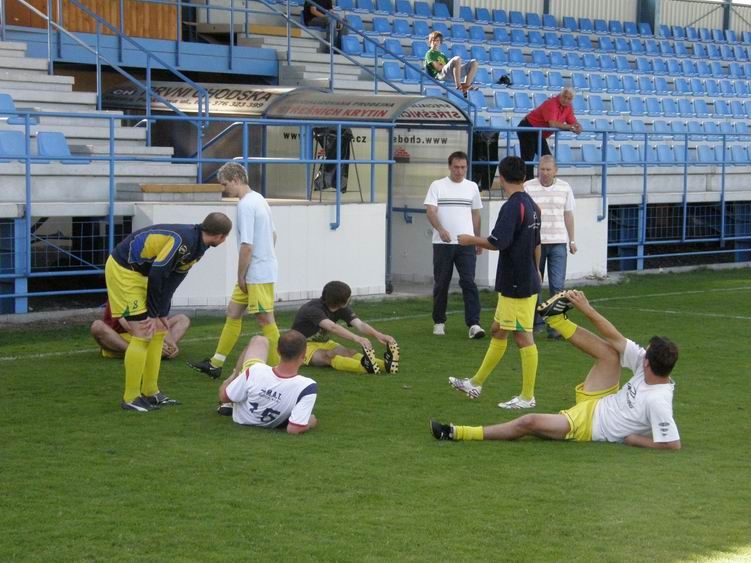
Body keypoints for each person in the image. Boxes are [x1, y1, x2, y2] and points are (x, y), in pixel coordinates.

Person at [431, 289, 681, 450]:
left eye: (646, 352)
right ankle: (556, 319)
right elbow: (615, 338)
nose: (642, 352)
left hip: (590, 424)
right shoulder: (649, 367)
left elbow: (672, 444)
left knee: (529, 422)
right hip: (600, 399)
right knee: (610, 354)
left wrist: (634, 439)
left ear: (648, 363)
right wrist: (586, 309)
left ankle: (455, 432)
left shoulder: (658, 401)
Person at [107, 212, 232, 412]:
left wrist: (162, 313)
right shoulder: (185, 240)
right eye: (225, 238)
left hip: (140, 273)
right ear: (221, 236)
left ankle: (151, 392)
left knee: (158, 330)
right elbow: (158, 273)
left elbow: (173, 279)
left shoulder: (198, 246)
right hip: (124, 270)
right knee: (143, 332)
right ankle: (130, 397)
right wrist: (153, 313)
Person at [450, 156, 542, 409]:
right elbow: (537, 243)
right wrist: (537, 271)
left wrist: (471, 239)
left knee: (523, 337)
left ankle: (527, 397)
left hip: (517, 284)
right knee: (498, 330)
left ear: (501, 178)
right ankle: (475, 383)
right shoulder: (533, 205)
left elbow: (497, 242)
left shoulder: (513, 206)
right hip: (522, 279)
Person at [188, 162, 280, 380]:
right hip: (258, 270)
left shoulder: (246, 205)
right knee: (233, 312)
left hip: (256, 274)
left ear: (236, 179)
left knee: (265, 320)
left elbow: (247, 245)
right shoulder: (259, 199)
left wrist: (241, 275)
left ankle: (281, 372)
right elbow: (273, 235)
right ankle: (215, 364)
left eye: (225, 184)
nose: (223, 189)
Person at [424, 151, 484, 339]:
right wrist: (440, 229)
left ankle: (474, 324)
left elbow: (476, 214)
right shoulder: (437, 186)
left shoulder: (472, 187)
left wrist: (477, 239)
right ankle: (439, 322)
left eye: (463, 167)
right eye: (456, 167)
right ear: (450, 167)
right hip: (442, 243)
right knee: (442, 283)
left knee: (469, 282)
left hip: (466, 242)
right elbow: (430, 211)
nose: (459, 171)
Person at [218, 331, 318, 434]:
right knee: (260, 341)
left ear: (278, 351)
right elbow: (294, 429)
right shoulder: (307, 386)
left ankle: (235, 377)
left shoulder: (255, 369)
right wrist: (309, 422)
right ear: (303, 355)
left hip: (242, 417)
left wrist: (228, 382)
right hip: (270, 419)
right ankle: (237, 379)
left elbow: (224, 397)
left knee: (259, 340)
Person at [291, 280, 399, 375]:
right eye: (348, 296)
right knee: (328, 356)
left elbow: (360, 325)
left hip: (324, 342)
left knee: (349, 352)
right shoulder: (313, 309)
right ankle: (365, 368)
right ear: (341, 301)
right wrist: (357, 338)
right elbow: (332, 327)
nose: (350, 298)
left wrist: (379, 335)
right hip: (301, 345)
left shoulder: (342, 308)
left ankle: (385, 365)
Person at [524, 155, 577, 338]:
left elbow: (568, 214)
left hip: (558, 242)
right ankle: (536, 323)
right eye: (542, 169)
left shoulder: (565, 187)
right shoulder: (528, 187)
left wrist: (572, 240)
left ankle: (555, 327)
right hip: (535, 243)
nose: (545, 173)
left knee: (558, 286)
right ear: (538, 169)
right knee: (534, 284)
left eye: (548, 170)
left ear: (555, 171)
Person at [517, 87, 582, 181]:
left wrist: (578, 127)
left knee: (547, 158)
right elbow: (553, 124)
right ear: (560, 95)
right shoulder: (551, 103)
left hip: (538, 132)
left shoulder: (568, 107)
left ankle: (547, 182)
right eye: (564, 97)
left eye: (569, 98)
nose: (566, 100)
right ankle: (527, 183)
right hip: (528, 127)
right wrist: (571, 127)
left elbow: (573, 122)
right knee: (528, 158)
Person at [91, 301, 190, 359]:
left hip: (146, 333)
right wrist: (152, 344)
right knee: (97, 326)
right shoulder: (119, 293)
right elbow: (129, 327)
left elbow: (159, 321)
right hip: (120, 338)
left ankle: (165, 350)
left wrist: (171, 343)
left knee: (183, 319)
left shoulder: (150, 293)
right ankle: (141, 352)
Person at [424, 31, 478, 98]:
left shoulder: (442, 55)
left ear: (440, 42)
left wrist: (443, 65)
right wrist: (444, 65)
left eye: (437, 40)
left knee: (474, 63)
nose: (435, 42)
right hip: (440, 75)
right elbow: (438, 68)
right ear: (430, 42)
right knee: (457, 59)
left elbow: (446, 67)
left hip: (448, 74)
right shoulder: (429, 53)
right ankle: (458, 87)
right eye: (433, 40)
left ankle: (466, 87)